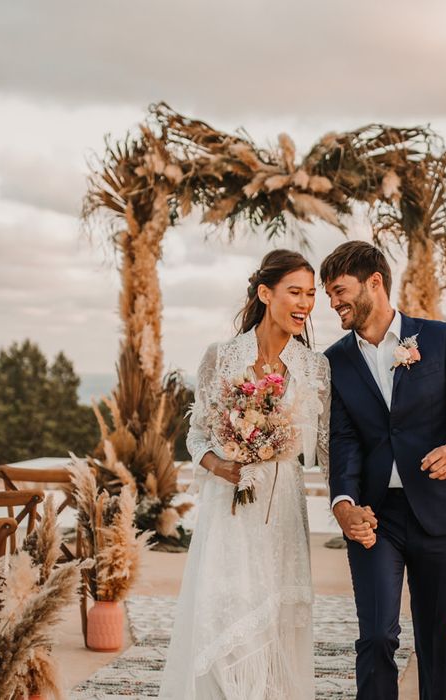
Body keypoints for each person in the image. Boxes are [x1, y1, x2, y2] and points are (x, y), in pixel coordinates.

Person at [321, 240, 446, 700]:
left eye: (340, 290)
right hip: (374, 517)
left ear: (374, 282)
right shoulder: (335, 360)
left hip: (440, 514)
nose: (333, 302)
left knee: (435, 638)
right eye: (329, 294)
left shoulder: (438, 339)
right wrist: (342, 502)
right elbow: (343, 440)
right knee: (377, 635)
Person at [158, 249, 331, 700]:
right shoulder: (221, 356)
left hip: (283, 508)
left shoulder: (315, 368)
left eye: (311, 295)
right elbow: (196, 437)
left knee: (275, 617)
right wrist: (223, 466)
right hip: (229, 508)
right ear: (264, 293)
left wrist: (346, 500)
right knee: (225, 605)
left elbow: (329, 448)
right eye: (295, 292)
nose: (305, 304)